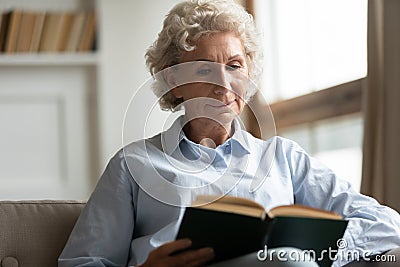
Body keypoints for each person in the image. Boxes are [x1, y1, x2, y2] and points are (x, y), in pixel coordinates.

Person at [58, 0, 400, 266]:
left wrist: (321, 252)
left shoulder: (283, 159)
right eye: (204, 69)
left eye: (235, 66)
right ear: (174, 83)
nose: (224, 85)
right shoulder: (132, 164)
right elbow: (82, 262)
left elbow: (386, 225)